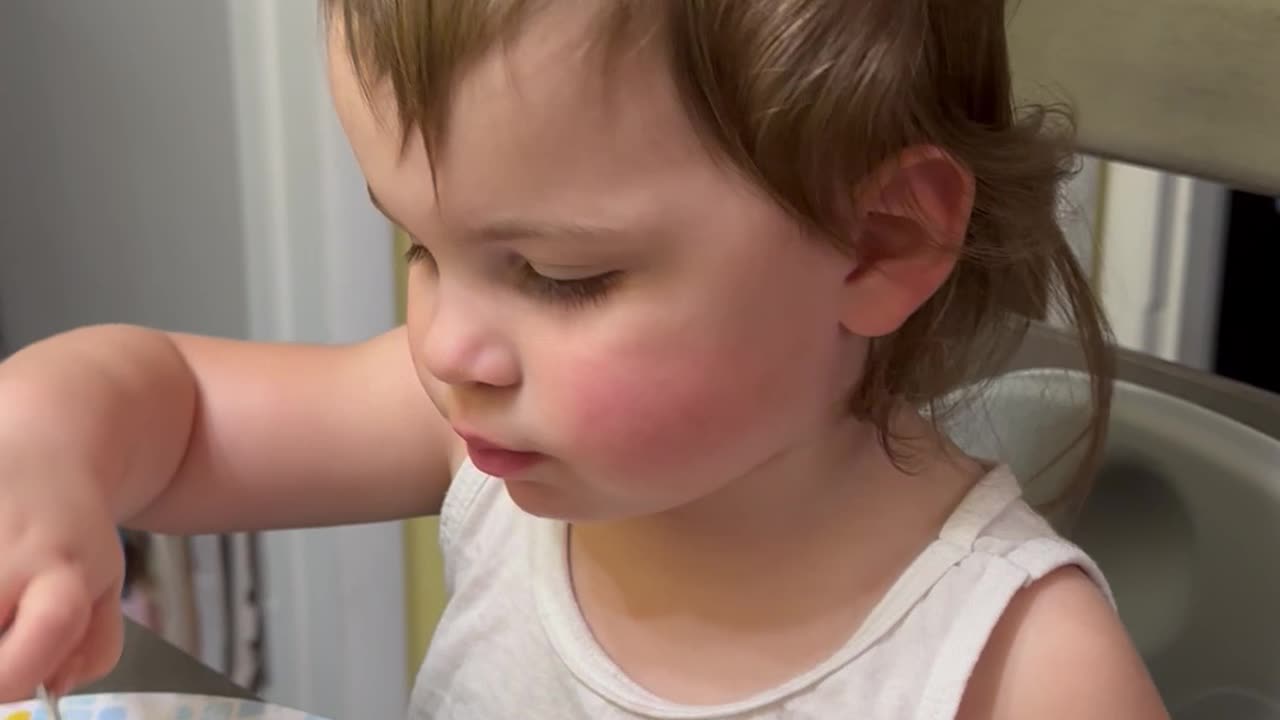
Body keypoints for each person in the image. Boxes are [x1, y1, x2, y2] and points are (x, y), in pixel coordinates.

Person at [0, 1, 1169, 717]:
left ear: (877, 241)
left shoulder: (1021, 673)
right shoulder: (478, 441)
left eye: (559, 276)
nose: (447, 345)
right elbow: (181, 409)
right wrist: (43, 446)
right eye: (418, 245)